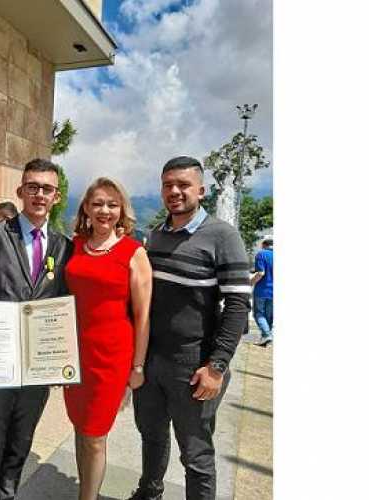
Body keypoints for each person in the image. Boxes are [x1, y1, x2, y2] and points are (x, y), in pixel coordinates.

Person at [128, 156, 250, 500]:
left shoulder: (223, 236)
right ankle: (149, 492)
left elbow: (238, 305)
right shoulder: (156, 235)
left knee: (195, 452)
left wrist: (216, 366)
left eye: (183, 184)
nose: (175, 191)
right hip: (151, 360)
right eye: (168, 185)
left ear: (201, 190)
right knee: (151, 435)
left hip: (193, 364)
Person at [0, 158, 73, 500]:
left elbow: (61, 302)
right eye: (33, 187)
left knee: (19, 448)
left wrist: (60, 356)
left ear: (56, 196)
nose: (39, 194)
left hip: (37, 369)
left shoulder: (63, 245)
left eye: (47, 189)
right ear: (21, 191)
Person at [64, 177, 152, 500]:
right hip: (73, 354)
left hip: (110, 359)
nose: (104, 210)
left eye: (112, 204)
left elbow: (143, 316)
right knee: (79, 426)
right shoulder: (75, 245)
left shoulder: (133, 252)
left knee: (95, 436)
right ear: (86, 207)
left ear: (121, 210)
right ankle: (84, 488)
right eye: (97, 203)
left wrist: (138, 367)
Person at [251, 237, 274, 346]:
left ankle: (266, 335)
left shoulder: (261, 254)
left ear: (264, 245)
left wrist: (250, 283)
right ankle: (266, 339)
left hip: (262, 290)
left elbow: (260, 273)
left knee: (258, 314)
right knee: (269, 316)